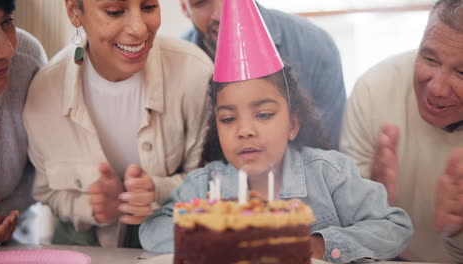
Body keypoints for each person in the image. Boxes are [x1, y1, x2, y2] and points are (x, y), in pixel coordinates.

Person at [139, 0, 413, 261]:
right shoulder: (205, 184)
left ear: (293, 124)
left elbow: (395, 226)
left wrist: (318, 245)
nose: (244, 130)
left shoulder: (331, 175)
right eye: (228, 119)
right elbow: (151, 231)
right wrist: (216, 234)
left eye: (264, 114)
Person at [23, 0, 213, 247]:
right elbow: (46, 190)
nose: (139, 29)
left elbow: (216, 179)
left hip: (174, 244)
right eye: (114, 12)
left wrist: (160, 190)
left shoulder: (195, 73)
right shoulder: (44, 92)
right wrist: (91, 206)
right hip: (85, 247)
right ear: (74, 11)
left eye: (148, 7)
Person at [340, 0, 463, 262]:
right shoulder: (375, 89)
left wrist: (459, 235)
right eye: (429, 58)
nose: (437, 88)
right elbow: (344, 240)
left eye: (462, 72)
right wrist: (367, 208)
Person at [178, 0, 346, 149]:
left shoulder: (316, 46)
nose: (221, 14)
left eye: (265, 114)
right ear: (184, 7)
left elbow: (328, 151)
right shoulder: (179, 63)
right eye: (201, 2)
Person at [0, 0, 47, 244]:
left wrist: (2, 215)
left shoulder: (28, 59)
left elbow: (42, 166)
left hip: (16, 233)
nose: (6, 50)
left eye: (6, 23)